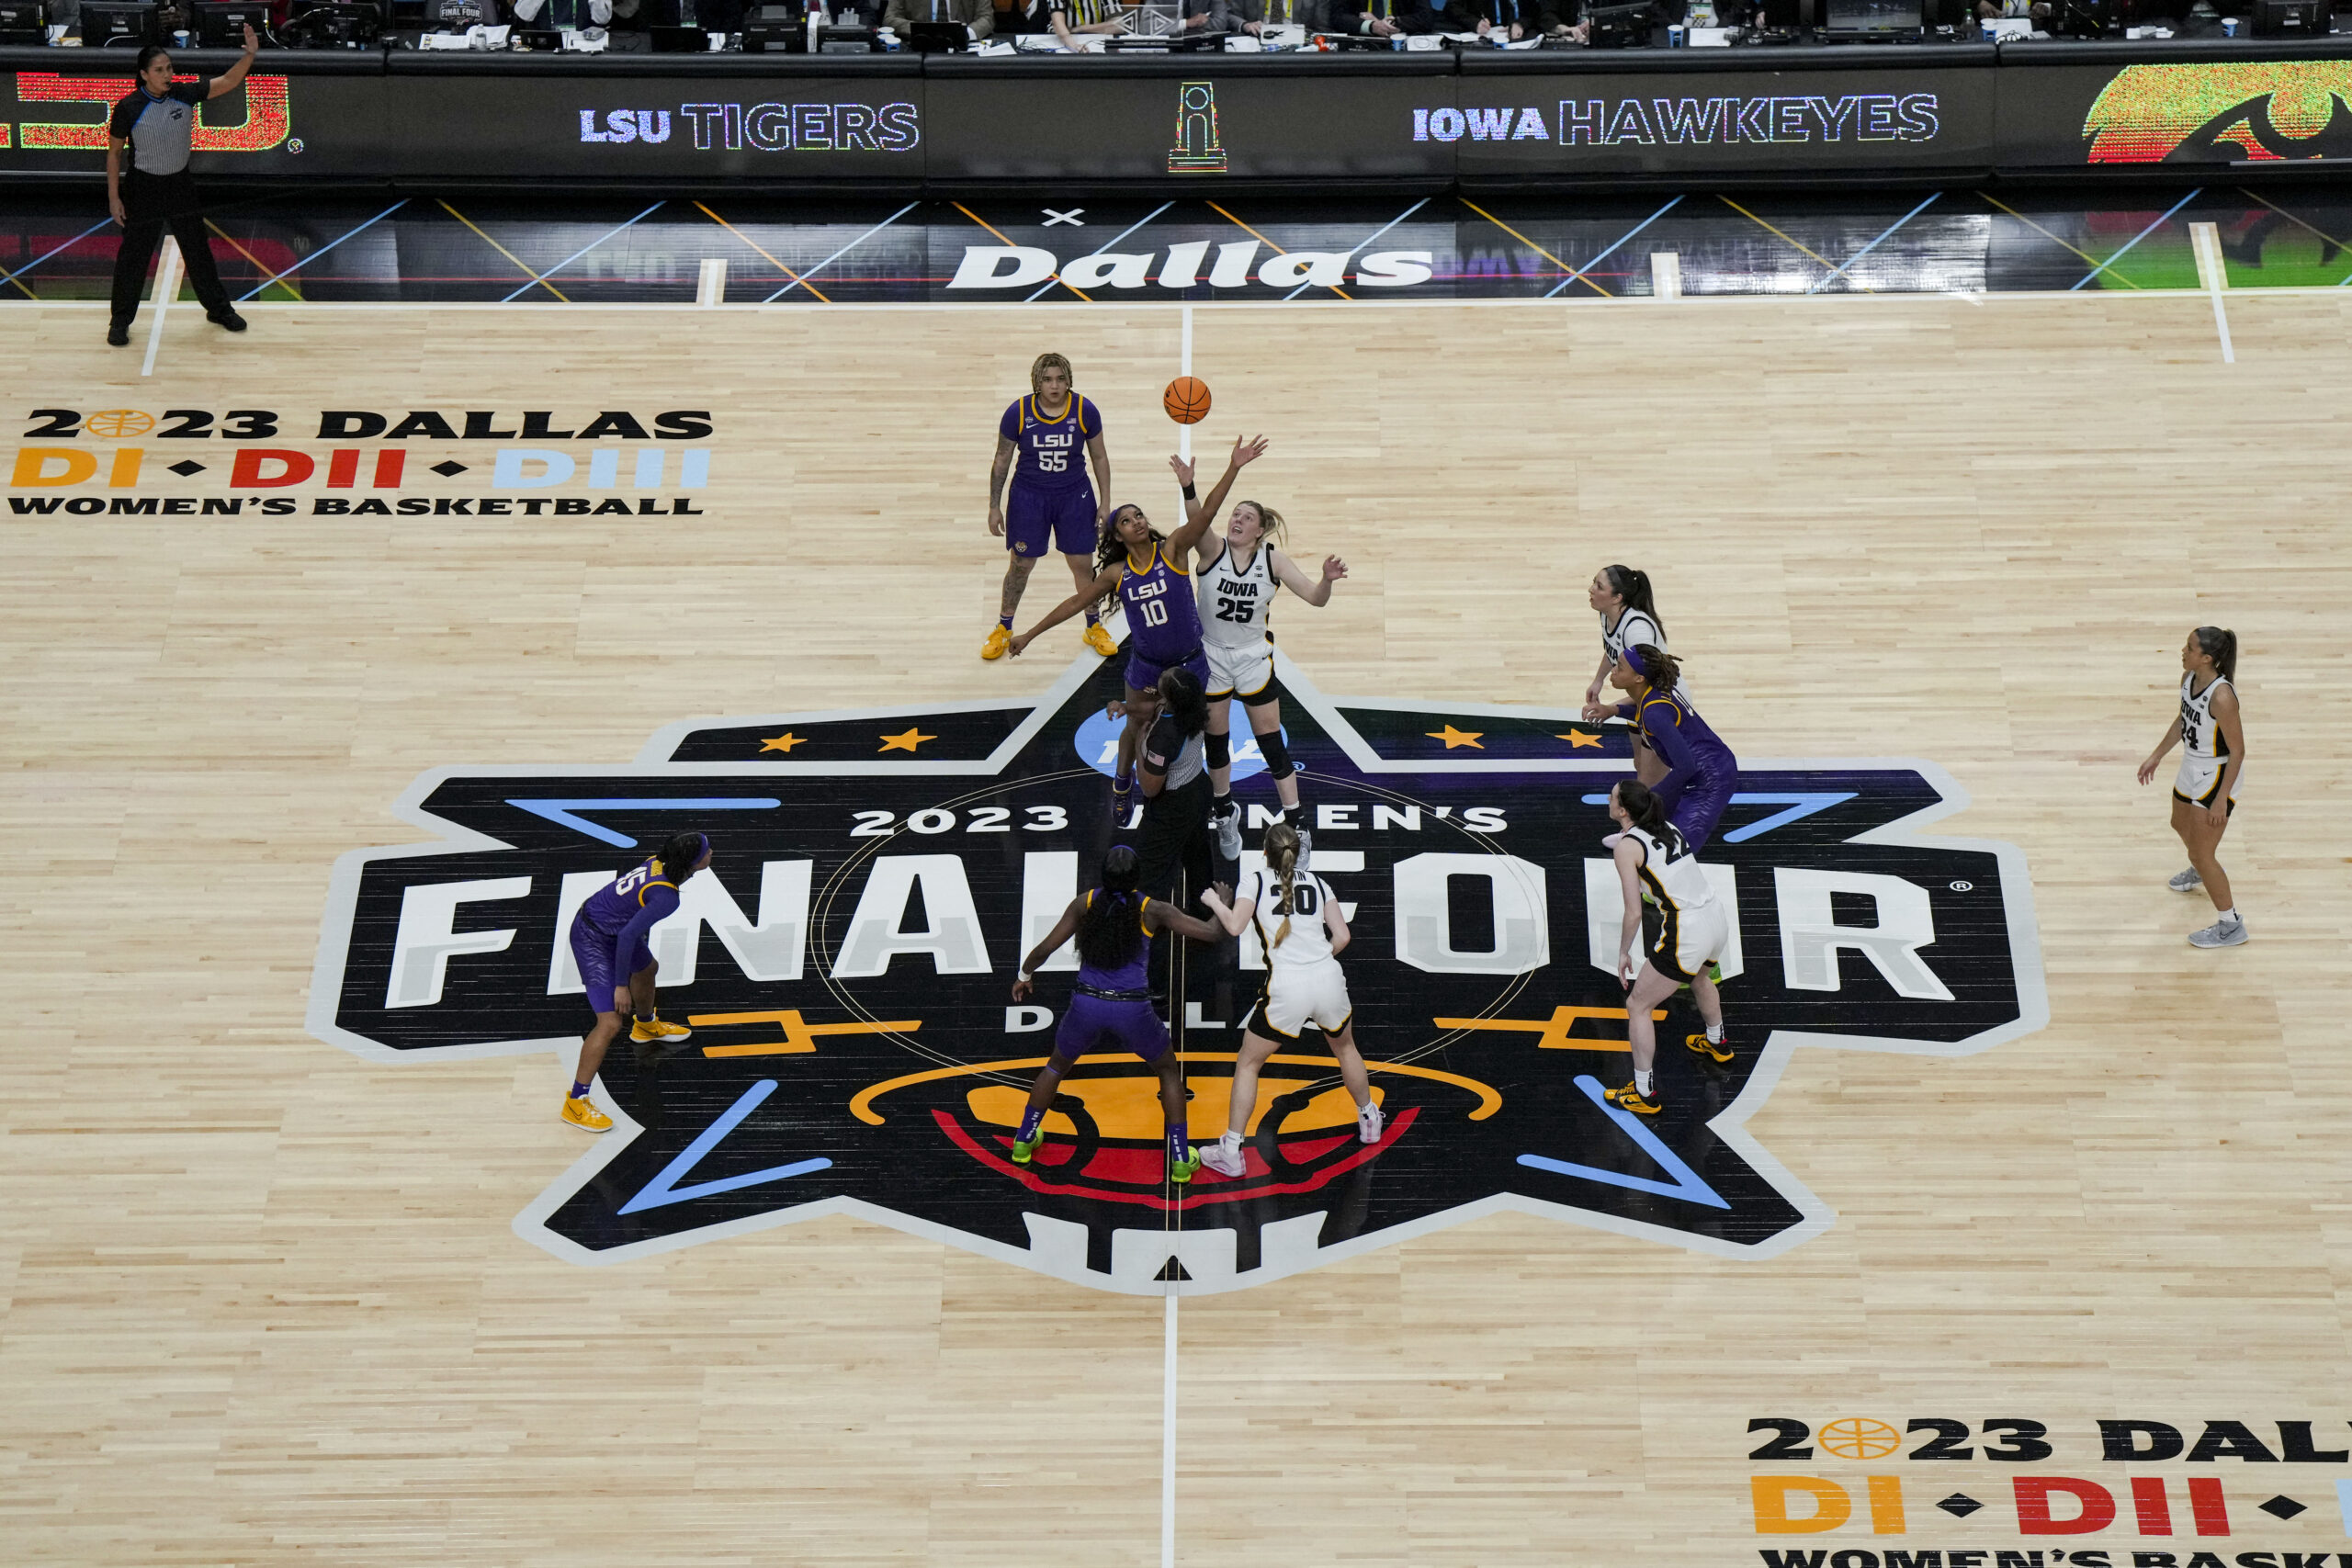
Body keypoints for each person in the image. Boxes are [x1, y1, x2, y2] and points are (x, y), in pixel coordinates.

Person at [1010, 435, 1267, 814]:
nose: (1137, 522)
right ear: (1117, 535)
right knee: (1135, 726)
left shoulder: (1173, 550)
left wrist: (1234, 466)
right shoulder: (1117, 573)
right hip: (1147, 665)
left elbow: (1208, 513)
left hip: (1191, 661)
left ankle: (1215, 799)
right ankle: (1121, 785)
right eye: (1127, 520)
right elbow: (1075, 603)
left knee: (1202, 727)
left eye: (1139, 515)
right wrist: (1030, 634)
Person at [1008, 845, 1228, 1184]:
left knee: (1055, 1066)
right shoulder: (1153, 910)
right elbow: (1212, 933)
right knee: (1168, 1072)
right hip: (1132, 1010)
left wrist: (1024, 975)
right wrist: (1220, 903)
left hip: (1087, 1005)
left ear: (1103, 876)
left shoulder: (1086, 902)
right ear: (1137, 879)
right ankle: (1181, 1159)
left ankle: (1023, 1140)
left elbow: (1045, 948)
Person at [1194, 820, 1381, 1177]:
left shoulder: (1256, 880)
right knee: (1346, 1049)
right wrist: (1318, 959)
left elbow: (1233, 926)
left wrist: (1215, 902)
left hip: (1287, 987)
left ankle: (1231, 1150)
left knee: (1249, 1063)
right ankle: (1369, 1118)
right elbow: (1342, 936)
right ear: (1297, 852)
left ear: (1265, 852)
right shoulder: (1319, 883)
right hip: (1327, 978)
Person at [1189, 479, 1343, 863]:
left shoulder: (1272, 560)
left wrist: (1326, 579)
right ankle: (1225, 812)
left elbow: (1315, 599)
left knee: (1270, 743)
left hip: (1252, 657)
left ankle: (1298, 823)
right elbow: (1197, 520)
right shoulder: (1212, 549)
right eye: (1234, 514)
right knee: (1217, 744)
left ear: (1260, 530)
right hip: (1212, 657)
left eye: (1247, 517)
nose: (1237, 520)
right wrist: (1188, 486)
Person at [104, 29, 260, 349]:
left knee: (198, 250)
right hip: (143, 188)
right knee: (133, 258)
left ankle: (218, 310)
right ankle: (120, 320)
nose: (166, 74)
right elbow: (115, 154)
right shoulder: (129, 107)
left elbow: (228, 82)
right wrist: (114, 196)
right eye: (159, 70)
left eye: (169, 68)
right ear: (144, 74)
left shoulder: (184, 94)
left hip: (180, 184)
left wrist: (249, 56)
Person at [1599, 781, 1731, 1117]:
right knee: (1702, 980)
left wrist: (1623, 953)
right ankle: (1717, 1043)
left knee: (1638, 1006)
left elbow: (1632, 912)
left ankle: (1644, 1092)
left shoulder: (1626, 848)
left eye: (1612, 797)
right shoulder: (1667, 826)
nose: (1609, 800)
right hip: (1715, 917)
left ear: (1623, 810)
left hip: (1686, 929)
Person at [560, 831, 708, 1131]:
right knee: (611, 1023)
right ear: (692, 862)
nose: (712, 852)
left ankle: (645, 1026)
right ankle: (575, 1102)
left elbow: (628, 929)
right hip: (593, 937)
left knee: (648, 968)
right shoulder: (667, 898)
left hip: (610, 927)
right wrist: (620, 986)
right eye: (707, 850)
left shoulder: (658, 862)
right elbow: (628, 935)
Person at [985, 354, 1117, 662]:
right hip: (1029, 498)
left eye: (1060, 379)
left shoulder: (1084, 410)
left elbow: (1099, 457)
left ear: (1069, 380)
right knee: (1020, 565)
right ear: (1037, 382)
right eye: (1047, 379)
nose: (1054, 386)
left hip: (1074, 496)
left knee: (1082, 565)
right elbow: (1001, 461)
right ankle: (1004, 627)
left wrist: (1106, 502)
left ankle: (1093, 625)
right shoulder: (1018, 413)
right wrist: (994, 506)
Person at [2137, 626, 2248, 949]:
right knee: (2178, 823)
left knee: (2202, 852)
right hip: (2192, 764)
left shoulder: (2222, 696)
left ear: (2207, 658)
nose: (2183, 652)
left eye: (2189, 648)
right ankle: (2201, 866)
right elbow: (2184, 720)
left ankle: (2231, 925)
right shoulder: (2188, 679)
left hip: (2217, 774)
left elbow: (2238, 751)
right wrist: (2156, 755)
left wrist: (2221, 800)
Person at [1599, 645, 1736, 852]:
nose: (1614, 671)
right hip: (1705, 767)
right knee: (1655, 820)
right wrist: (1614, 710)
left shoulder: (1654, 712)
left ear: (1639, 678)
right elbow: (1645, 713)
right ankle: (1636, 838)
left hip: (1711, 779)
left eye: (1620, 667)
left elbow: (1686, 766)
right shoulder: (1652, 694)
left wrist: (1651, 798)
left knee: (1678, 850)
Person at [1582, 565, 1670, 784]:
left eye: (1599, 586)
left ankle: (1665, 816)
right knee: (1640, 765)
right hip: (1640, 702)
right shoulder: (1608, 615)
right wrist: (1599, 679)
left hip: (1661, 704)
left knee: (1651, 782)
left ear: (1617, 598)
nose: (1590, 589)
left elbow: (1652, 686)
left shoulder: (1637, 632)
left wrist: (1612, 709)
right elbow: (1614, 647)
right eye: (1594, 582)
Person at [883, 0, 996, 35]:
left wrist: (965, 34)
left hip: (964, 49)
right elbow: (889, 19)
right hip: (921, 45)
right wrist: (921, 30)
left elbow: (986, 18)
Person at [1045, 0, 1133, 42]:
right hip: (1063, 42)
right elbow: (1058, 25)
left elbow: (1118, 26)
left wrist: (1081, 28)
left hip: (1098, 43)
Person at [1342, 0, 1431, 32]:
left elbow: (1425, 18)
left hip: (1399, 44)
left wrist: (1391, 24)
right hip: (1360, 43)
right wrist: (1370, 26)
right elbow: (1338, 16)